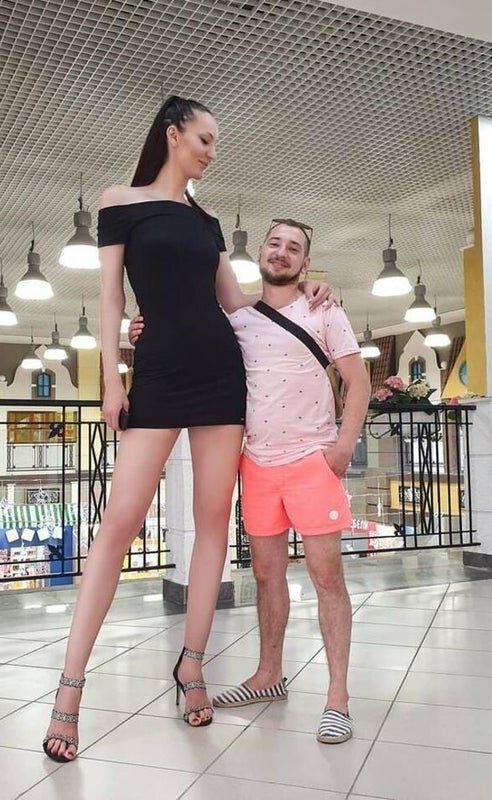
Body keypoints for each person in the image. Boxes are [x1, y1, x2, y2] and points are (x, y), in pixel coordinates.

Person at [42, 96, 331, 763]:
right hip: (159, 375)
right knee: (118, 525)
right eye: (204, 139)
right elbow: (110, 297)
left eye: (214, 142)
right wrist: (113, 378)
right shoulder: (120, 202)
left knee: (211, 524)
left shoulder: (205, 222)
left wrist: (309, 290)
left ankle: (192, 664)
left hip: (220, 377)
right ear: (173, 135)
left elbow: (236, 303)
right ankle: (69, 688)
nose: (211, 151)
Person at [129, 218, 370, 744]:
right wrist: (142, 331)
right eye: (274, 243)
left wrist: (343, 446)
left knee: (327, 577)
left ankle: (338, 698)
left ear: (305, 264)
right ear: (259, 252)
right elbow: (191, 340)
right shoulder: (237, 318)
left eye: (294, 248)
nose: (282, 253)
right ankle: (268, 675)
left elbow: (359, 380)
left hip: (312, 460)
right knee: (265, 575)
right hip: (257, 464)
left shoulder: (323, 309)